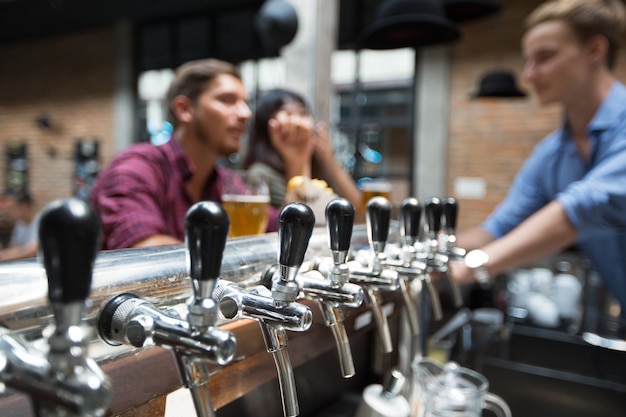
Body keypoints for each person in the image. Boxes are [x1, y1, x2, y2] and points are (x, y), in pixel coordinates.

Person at [450, 0, 626, 312]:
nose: (529, 75)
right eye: (528, 61)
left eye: (544, 57)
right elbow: (499, 228)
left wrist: (474, 266)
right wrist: (428, 250)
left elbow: (584, 206)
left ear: (595, 50)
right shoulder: (553, 154)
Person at [89, 58, 281, 250]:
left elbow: (282, 231)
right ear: (184, 109)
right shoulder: (136, 168)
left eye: (245, 103)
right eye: (227, 99)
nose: (246, 113)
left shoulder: (224, 182)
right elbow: (145, 254)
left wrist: (296, 158)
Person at [242, 88, 363, 214]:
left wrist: (330, 160)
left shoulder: (318, 167)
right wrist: (298, 159)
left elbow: (359, 212)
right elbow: (303, 219)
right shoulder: (260, 174)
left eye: (302, 113)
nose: (299, 123)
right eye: (288, 113)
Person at [0, 192, 38, 261]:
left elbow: (31, 251)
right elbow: (13, 248)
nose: (8, 212)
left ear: (25, 206)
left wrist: (3, 256)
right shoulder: (19, 224)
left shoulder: (42, 222)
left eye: (11, 208)